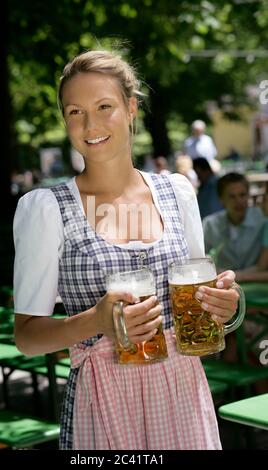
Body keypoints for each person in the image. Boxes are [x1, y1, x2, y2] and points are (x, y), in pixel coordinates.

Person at [13, 50, 240, 450]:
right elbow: (28, 337)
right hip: (106, 400)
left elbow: (205, 304)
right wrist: (94, 321)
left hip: (183, 391)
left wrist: (226, 307)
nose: (90, 124)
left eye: (105, 107)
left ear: (131, 108)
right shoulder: (47, 208)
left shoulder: (178, 193)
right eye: (75, 111)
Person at [203, 172, 268, 280]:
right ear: (221, 199)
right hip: (222, 283)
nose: (239, 201)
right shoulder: (210, 225)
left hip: (254, 284)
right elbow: (201, 259)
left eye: (242, 195)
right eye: (232, 196)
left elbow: (263, 265)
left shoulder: (263, 219)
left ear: (248, 195)